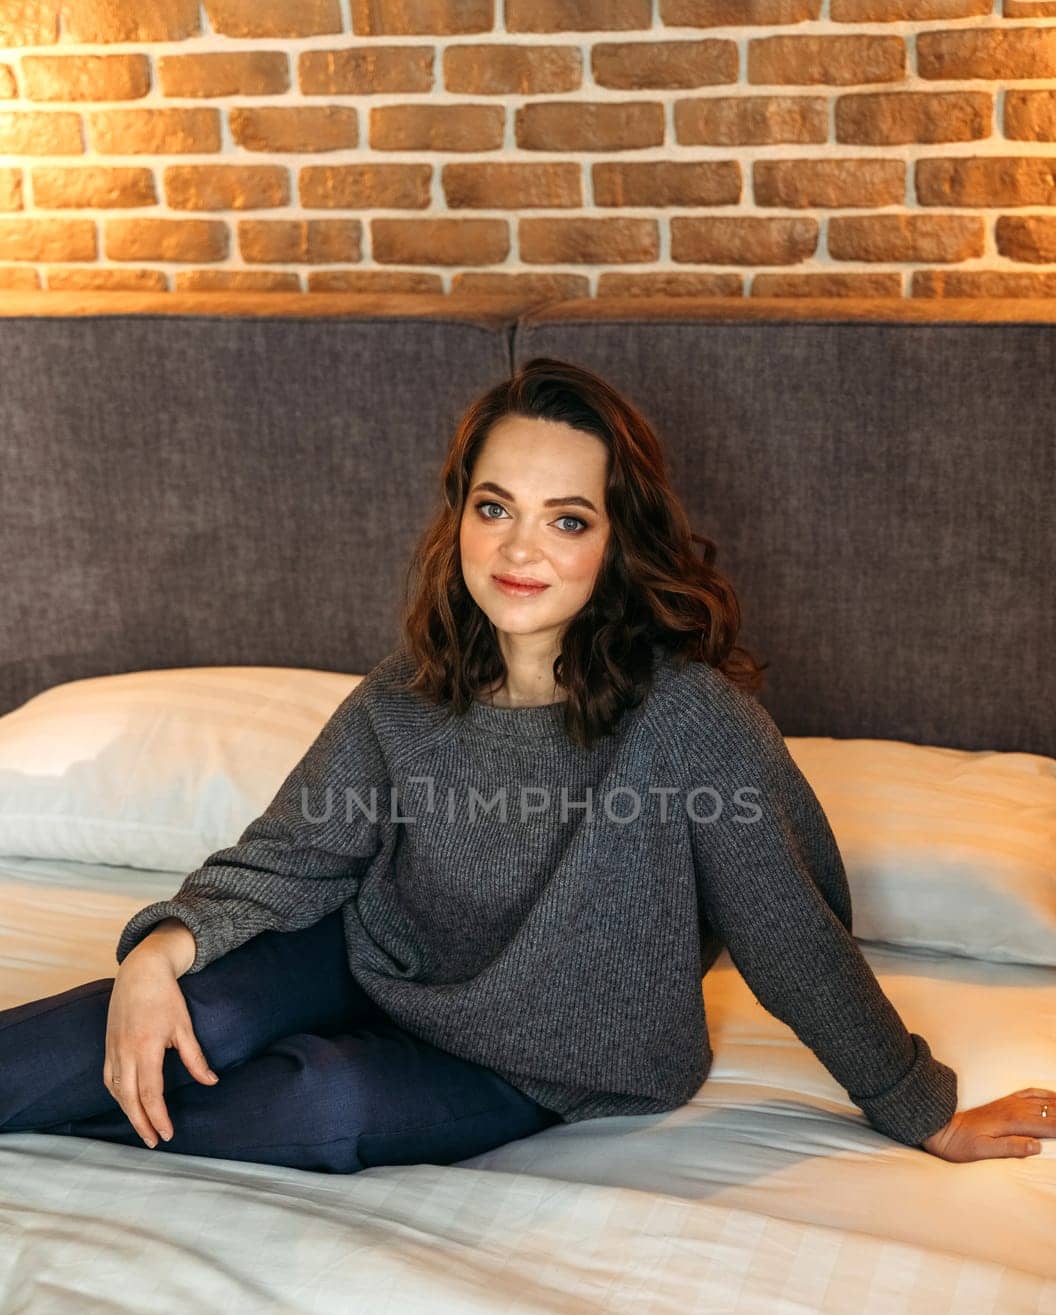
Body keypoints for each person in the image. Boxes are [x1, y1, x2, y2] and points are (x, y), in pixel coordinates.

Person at [1, 358, 1051, 1173]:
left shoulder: (689, 723)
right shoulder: (404, 697)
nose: (520, 549)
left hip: (534, 1060)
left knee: (320, 1104)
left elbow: (790, 935)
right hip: (372, 960)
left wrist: (924, 1110)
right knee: (195, 1008)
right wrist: (156, 954)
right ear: (459, 513)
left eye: (568, 519)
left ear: (614, 544)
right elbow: (290, 856)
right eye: (495, 506)